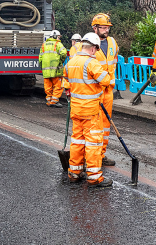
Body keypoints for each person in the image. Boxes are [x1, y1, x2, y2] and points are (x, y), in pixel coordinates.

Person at [62, 32, 114, 188]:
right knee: (93, 144)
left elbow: (67, 80)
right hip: (91, 111)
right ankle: (94, 177)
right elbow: (105, 80)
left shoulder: (71, 62)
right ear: (93, 49)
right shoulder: (91, 63)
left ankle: (74, 173)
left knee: (77, 141)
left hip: (76, 110)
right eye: (96, 51)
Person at [91, 13, 119, 166]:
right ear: (95, 28)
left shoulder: (112, 42)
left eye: (108, 27)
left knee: (106, 124)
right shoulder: (88, 43)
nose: (106, 30)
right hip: (94, 90)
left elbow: (113, 61)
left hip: (108, 90)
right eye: (103, 27)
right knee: (93, 124)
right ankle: (91, 156)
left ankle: (101, 154)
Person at [38, 30, 68, 107]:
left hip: (46, 71)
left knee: (48, 86)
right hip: (56, 70)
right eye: (59, 37)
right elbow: (64, 53)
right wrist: (61, 61)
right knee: (58, 85)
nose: (59, 38)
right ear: (56, 36)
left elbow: (40, 58)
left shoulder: (43, 45)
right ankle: (54, 101)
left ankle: (49, 100)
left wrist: (43, 66)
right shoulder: (58, 44)